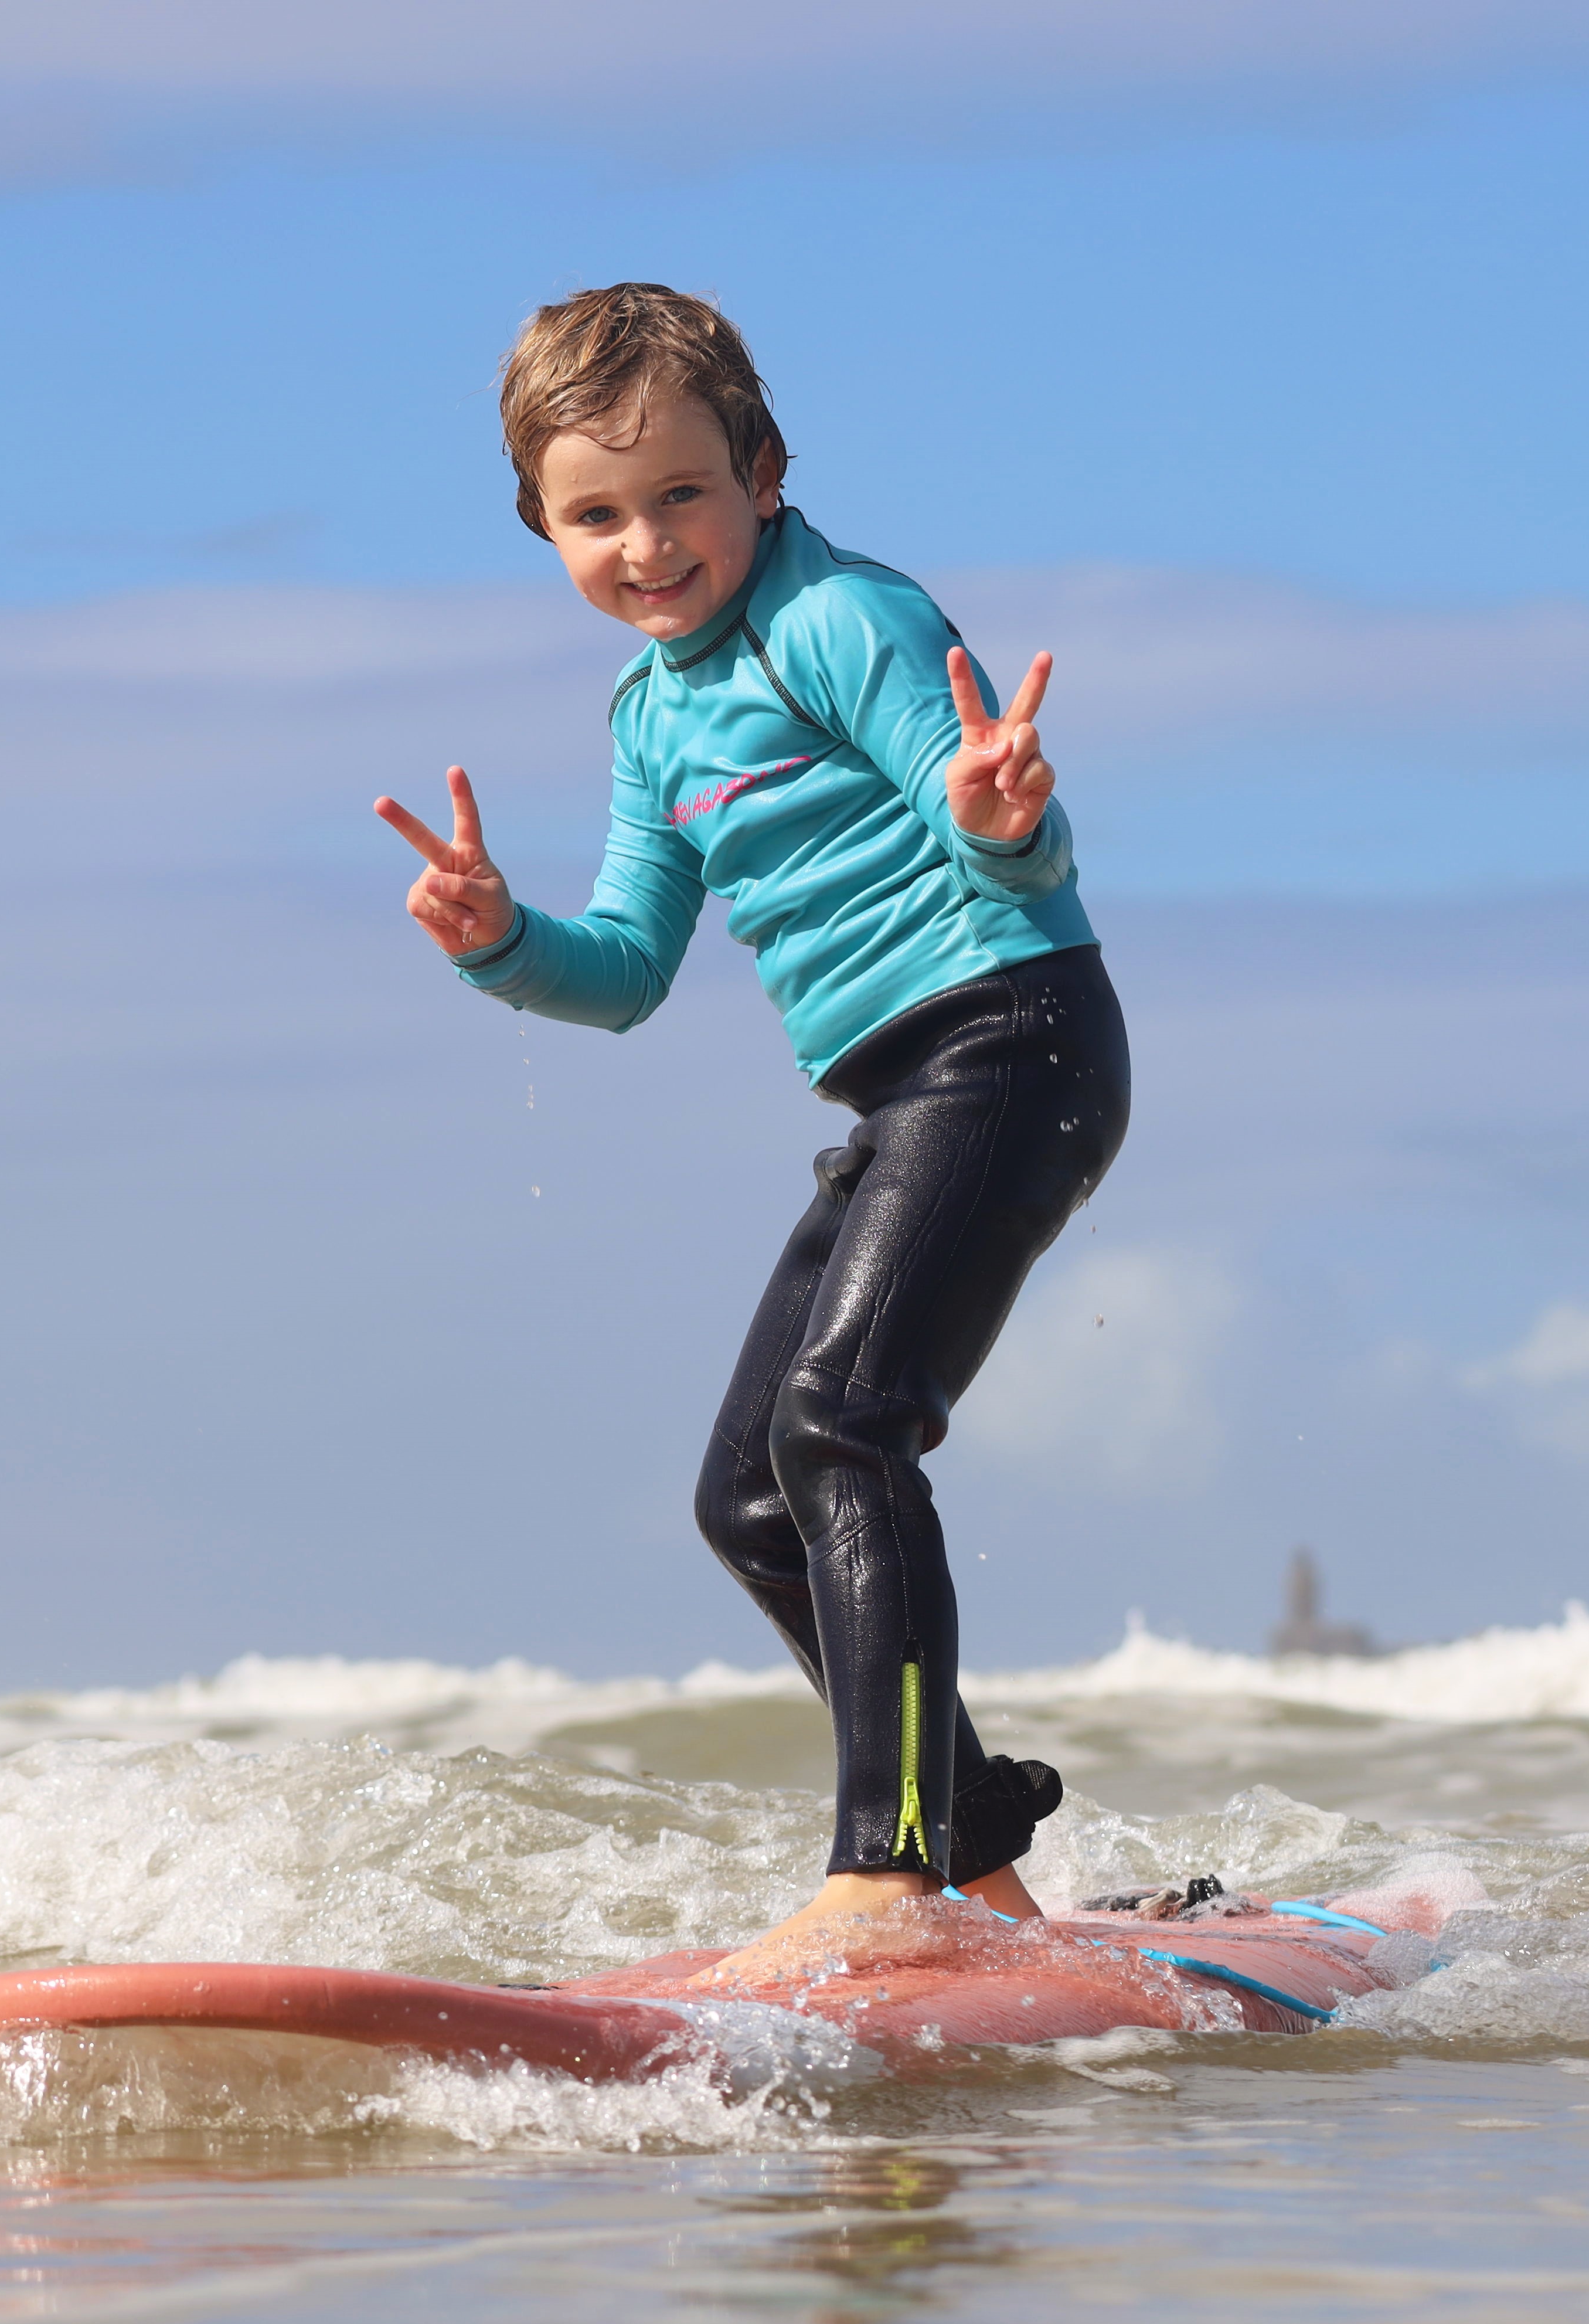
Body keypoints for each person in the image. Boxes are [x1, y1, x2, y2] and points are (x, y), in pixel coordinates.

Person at [372, 284, 1125, 1979]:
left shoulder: (844, 618)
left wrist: (1007, 821)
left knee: (847, 1426)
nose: (647, 546)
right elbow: (627, 970)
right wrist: (499, 938)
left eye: (682, 496)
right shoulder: (651, 718)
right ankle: (977, 1853)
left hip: (1015, 1034)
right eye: (595, 516)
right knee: (751, 1498)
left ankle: (898, 1863)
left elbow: (989, 812)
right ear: (543, 528)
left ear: (766, 470)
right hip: (902, 1088)